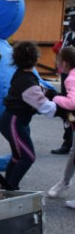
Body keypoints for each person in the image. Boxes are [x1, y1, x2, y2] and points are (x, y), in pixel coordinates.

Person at [0, 41, 57, 190]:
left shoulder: (24, 74)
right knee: (27, 157)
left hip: (15, 121)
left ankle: (7, 188)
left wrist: (55, 95)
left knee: (18, 156)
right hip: (13, 122)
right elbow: (45, 107)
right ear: (36, 59)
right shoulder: (27, 81)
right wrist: (64, 107)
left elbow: (40, 91)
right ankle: (10, 188)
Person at [47, 45, 75, 208]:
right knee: (73, 153)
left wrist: (56, 98)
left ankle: (65, 182)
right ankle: (64, 181)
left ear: (64, 63)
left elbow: (72, 102)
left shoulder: (71, 78)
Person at [52, 15, 75, 154]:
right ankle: (67, 141)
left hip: (73, 72)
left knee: (71, 105)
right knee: (67, 112)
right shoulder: (68, 35)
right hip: (66, 73)